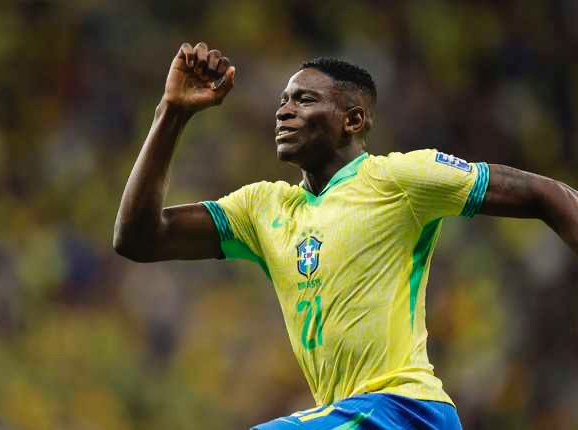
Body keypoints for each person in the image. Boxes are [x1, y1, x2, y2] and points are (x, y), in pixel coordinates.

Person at [114, 42, 578, 429]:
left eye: (304, 100)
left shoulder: (398, 180)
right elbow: (139, 239)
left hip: (406, 411)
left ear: (352, 121)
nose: (284, 111)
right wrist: (171, 112)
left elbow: (545, 194)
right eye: (283, 101)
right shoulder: (262, 209)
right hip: (348, 415)